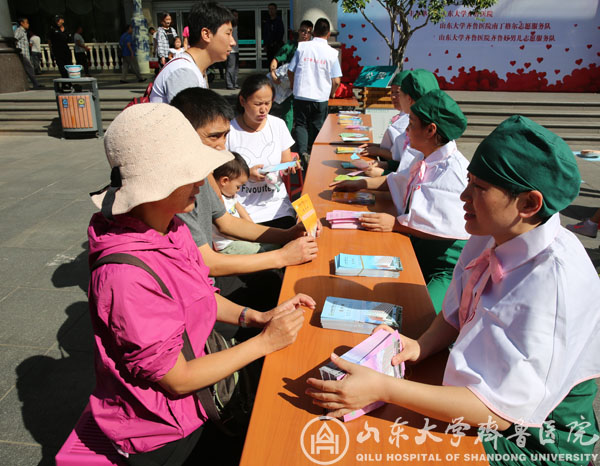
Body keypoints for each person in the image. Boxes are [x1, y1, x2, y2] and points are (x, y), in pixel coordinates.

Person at [307, 115, 600, 466]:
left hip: (534, 440)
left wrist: (383, 387)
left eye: (478, 188)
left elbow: (500, 411)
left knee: (378, 447)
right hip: (487, 400)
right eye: (468, 182)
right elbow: (461, 303)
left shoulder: (554, 286)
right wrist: (421, 345)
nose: (463, 196)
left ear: (528, 204)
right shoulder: (493, 230)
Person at [87, 102, 315, 465]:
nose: (201, 182)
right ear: (157, 184)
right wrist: (266, 341)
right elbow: (177, 378)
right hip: (164, 429)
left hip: (200, 396)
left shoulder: (171, 227)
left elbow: (202, 294)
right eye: (191, 173)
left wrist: (258, 317)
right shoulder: (125, 277)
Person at [171, 87, 319, 314]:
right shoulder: (177, 187)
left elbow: (227, 222)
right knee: (274, 286)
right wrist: (280, 256)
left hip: (203, 279)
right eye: (214, 137)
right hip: (191, 294)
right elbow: (206, 261)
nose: (222, 146)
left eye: (225, 135)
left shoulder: (203, 173)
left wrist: (288, 234)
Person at [332, 90, 469, 313]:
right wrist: (362, 184)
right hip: (418, 247)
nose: (406, 131)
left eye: (412, 124)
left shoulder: (452, 173)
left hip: (446, 266)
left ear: (430, 130)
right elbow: (399, 180)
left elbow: (447, 226)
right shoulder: (425, 155)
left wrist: (395, 224)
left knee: (419, 315)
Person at [227, 74, 298, 229]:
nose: (263, 109)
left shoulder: (278, 125)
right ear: (242, 101)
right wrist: (246, 175)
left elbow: (285, 161)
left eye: (268, 103)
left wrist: (288, 167)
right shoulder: (229, 131)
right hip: (242, 209)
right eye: (258, 104)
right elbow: (220, 175)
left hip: (276, 208)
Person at [150, 2, 236, 103]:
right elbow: (190, 118)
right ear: (206, 34)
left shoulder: (194, 68)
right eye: (228, 34)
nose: (233, 42)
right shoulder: (184, 73)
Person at [364, 68, 439, 177]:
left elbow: (411, 177)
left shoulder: (420, 133)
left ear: (409, 98)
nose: (394, 97)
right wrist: (385, 164)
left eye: (399, 93)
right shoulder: (423, 125)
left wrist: (383, 172)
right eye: (392, 92)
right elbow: (406, 165)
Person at [288, 18, 342, 168]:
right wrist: (332, 93)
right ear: (329, 34)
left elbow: (290, 70)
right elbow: (336, 80)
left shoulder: (302, 48)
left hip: (301, 94)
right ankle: (318, 155)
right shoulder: (332, 53)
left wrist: (293, 85)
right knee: (318, 126)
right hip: (321, 97)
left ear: (313, 32)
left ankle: (303, 152)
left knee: (301, 125)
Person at [211, 152, 278, 255]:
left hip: (239, 236)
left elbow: (240, 209)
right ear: (224, 181)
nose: (238, 190)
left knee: (274, 246)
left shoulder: (230, 194)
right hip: (228, 244)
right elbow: (226, 230)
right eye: (238, 186)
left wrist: (252, 228)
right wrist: (246, 236)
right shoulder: (216, 199)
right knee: (259, 252)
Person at [268, 20, 313, 132]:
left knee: (305, 114)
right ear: (298, 31)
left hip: (305, 86)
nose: (305, 34)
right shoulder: (290, 46)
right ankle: (286, 138)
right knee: (288, 113)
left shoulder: (312, 48)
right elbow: (275, 60)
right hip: (289, 86)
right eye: (303, 31)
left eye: (308, 32)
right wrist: (273, 74)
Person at [14, 17, 42, 89]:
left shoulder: (23, 31)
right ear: (22, 23)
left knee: (27, 69)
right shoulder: (19, 30)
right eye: (26, 22)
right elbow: (15, 39)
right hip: (22, 54)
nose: (28, 24)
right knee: (29, 68)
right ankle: (35, 84)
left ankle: (33, 84)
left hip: (25, 54)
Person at [225, 9, 239, 90]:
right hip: (231, 50)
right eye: (234, 15)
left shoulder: (236, 26)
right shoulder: (229, 27)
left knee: (236, 68)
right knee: (231, 67)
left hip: (236, 50)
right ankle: (229, 84)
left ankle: (235, 83)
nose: (236, 17)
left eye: (237, 16)